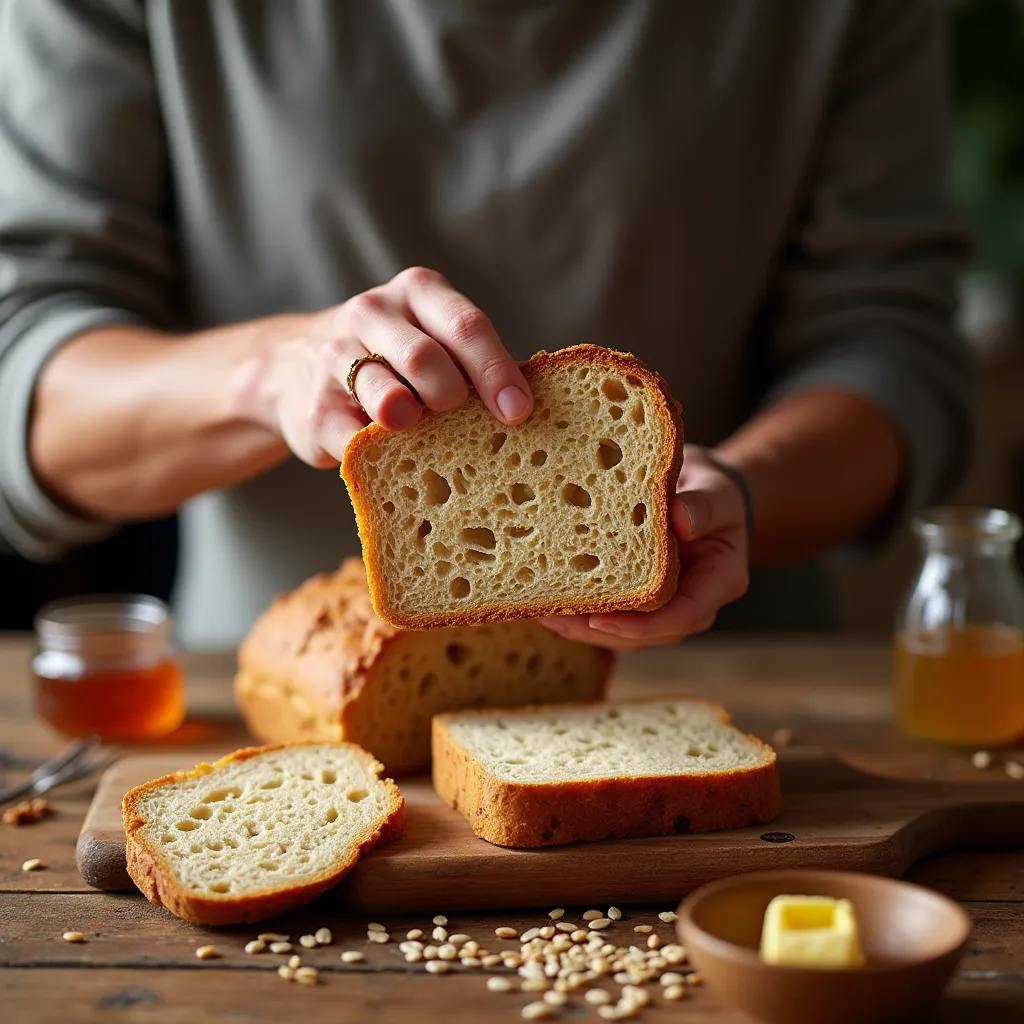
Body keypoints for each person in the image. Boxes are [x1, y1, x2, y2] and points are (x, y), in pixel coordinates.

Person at [0, 0, 973, 650]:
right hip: (278, 692)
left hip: (725, 687)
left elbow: (893, 348)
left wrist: (732, 497)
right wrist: (272, 374)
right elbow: (29, 374)